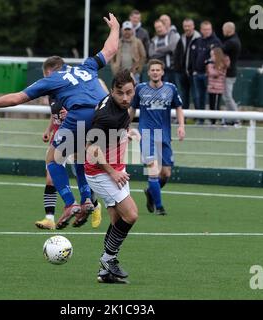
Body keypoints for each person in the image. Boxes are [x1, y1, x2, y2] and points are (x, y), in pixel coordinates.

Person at [0, 13, 120, 230]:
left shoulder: (51, 80)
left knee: (52, 158)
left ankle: (69, 203)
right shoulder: (86, 66)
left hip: (82, 115)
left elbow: (17, 98)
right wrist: (114, 28)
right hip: (106, 116)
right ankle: (87, 199)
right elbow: (111, 49)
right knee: (82, 156)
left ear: (49, 71)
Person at [85, 69, 139, 284]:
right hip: (101, 172)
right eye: (120, 94)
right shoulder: (105, 115)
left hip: (117, 169)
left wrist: (128, 132)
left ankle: (105, 273)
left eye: (129, 92)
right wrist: (113, 172)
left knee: (117, 220)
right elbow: (90, 149)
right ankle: (108, 259)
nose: (125, 98)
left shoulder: (123, 105)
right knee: (131, 215)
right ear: (112, 92)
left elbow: (124, 121)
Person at [35, 98, 102, 230]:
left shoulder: (70, 89)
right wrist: (49, 130)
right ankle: (49, 219)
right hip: (58, 138)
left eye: (48, 74)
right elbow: (54, 114)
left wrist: (70, 115)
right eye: (45, 74)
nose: (47, 75)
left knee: (79, 170)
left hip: (75, 132)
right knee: (50, 179)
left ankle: (92, 204)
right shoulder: (51, 90)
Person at [130, 59, 185, 215]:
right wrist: (126, 127)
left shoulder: (171, 89)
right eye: (152, 70)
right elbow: (132, 109)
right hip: (146, 134)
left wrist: (181, 126)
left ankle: (151, 192)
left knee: (166, 173)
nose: (155, 72)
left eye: (158, 70)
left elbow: (179, 107)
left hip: (165, 135)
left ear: (162, 72)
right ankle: (159, 207)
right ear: (148, 72)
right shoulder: (140, 89)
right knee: (153, 171)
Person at [188, 21, 221, 125]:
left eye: (208, 29)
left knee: (211, 98)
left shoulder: (216, 42)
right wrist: (193, 70)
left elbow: (218, 60)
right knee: (198, 97)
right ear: (201, 30)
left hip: (209, 76)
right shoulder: (197, 41)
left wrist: (210, 71)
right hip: (197, 74)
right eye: (205, 29)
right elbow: (192, 57)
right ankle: (200, 119)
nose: (207, 31)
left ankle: (213, 120)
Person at [174, 18, 201, 111]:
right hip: (182, 73)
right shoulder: (181, 38)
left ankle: (199, 118)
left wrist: (195, 69)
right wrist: (178, 68)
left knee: (196, 96)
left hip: (194, 73)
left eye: (189, 26)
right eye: (185, 26)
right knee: (183, 96)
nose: (187, 28)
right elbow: (176, 54)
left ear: (193, 26)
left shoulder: (199, 39)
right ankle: (183, 117)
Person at [221, 22, 242, 126]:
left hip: (229, 73)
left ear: (229, 30)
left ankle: (237, 118)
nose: (223, 31)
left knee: (228, 97)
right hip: (230, 72)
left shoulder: (231, 42)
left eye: (224, 29)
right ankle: (229, 119)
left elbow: (219, 50)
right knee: (227, 97)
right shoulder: (234, 40)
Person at [149, 19, 180, 85]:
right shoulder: (154, 40)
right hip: (157, 71)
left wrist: (158, 50)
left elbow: (172, 48)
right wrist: (166, 52)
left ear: (165, 26)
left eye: (160, 27)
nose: (158, 29)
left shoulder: (171, 36)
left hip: (170, 70)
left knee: (171, 91)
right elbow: (151, 54)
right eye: (156, 28)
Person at [206, 48, 230, 125]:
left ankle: (215, 121)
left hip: (217, 89)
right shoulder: (211, 64)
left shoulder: (222, 65)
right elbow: (210, 73)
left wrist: (210, 66)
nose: (211, 57)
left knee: (216, 106)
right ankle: (212, 120)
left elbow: (214, 73)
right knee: (211, 105)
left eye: (213, 55)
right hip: (211, 88)